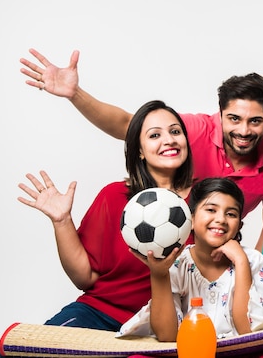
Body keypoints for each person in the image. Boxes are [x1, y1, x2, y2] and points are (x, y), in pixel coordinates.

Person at [19, 49, 263, 250]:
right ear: (220, 114)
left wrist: (252, 277)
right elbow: (129, 125)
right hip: (155, 244)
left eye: (255, 121)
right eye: (234, 119)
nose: (244, 131)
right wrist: (75, 94)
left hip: (208, 260)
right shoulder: (192, 131)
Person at [14, 100, 194, 332]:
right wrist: (62, 221)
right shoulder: (114, 195)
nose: (168, 140)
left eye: (175, 131)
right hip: (100, 314)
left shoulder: (206, 202)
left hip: (167, 323)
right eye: (154, 135)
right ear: (139, 150)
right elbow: (85, 278)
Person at [117, 178, 263, 340]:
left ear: (239, 226)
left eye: (231, 214)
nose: (221, 219)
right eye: (211, 210)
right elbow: (167, 336)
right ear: (191, 220)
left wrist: (240, 261)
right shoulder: (178, 262)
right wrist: (159, 274)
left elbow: (248, 331)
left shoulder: (253, 260)